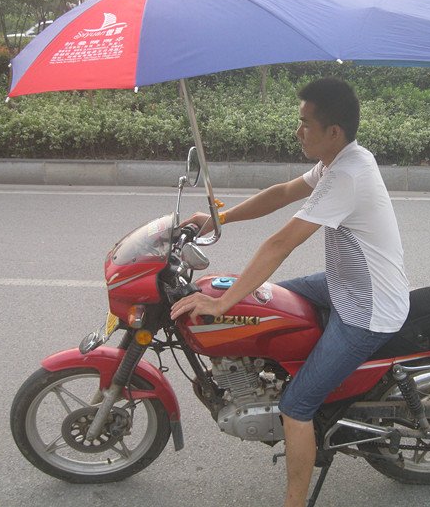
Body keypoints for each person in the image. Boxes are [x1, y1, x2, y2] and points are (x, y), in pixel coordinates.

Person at [170, 77, 409, 507]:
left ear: (332, 131)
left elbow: (282, 242)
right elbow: (281, 193)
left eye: (305, 124)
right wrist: (217, 219)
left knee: (297, 405)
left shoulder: (347, 175)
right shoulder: (339, 160)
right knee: (263, 306)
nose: (298, 132)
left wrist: (222, 302)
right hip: (345, 285)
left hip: (368, 308)